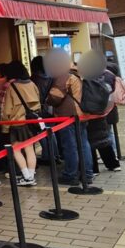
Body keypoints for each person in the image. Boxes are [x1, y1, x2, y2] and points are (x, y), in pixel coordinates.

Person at [45, 49, 93, 186]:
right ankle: (87, 173)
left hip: (69, 116)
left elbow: (55, 96)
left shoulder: (64, 76)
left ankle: (70, 174)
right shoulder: (79, 73)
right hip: (82, 114)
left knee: (70, 145)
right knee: (83, 144)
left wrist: (47, 99)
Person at [1, 61, 41, 187]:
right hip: (30, 122)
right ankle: (31, 176)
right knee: (30, 150)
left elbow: (7, 110)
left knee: (16, 150)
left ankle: (27, 177)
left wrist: (5, 127)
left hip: (17, 123)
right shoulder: (32, 84)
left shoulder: (12, 87)